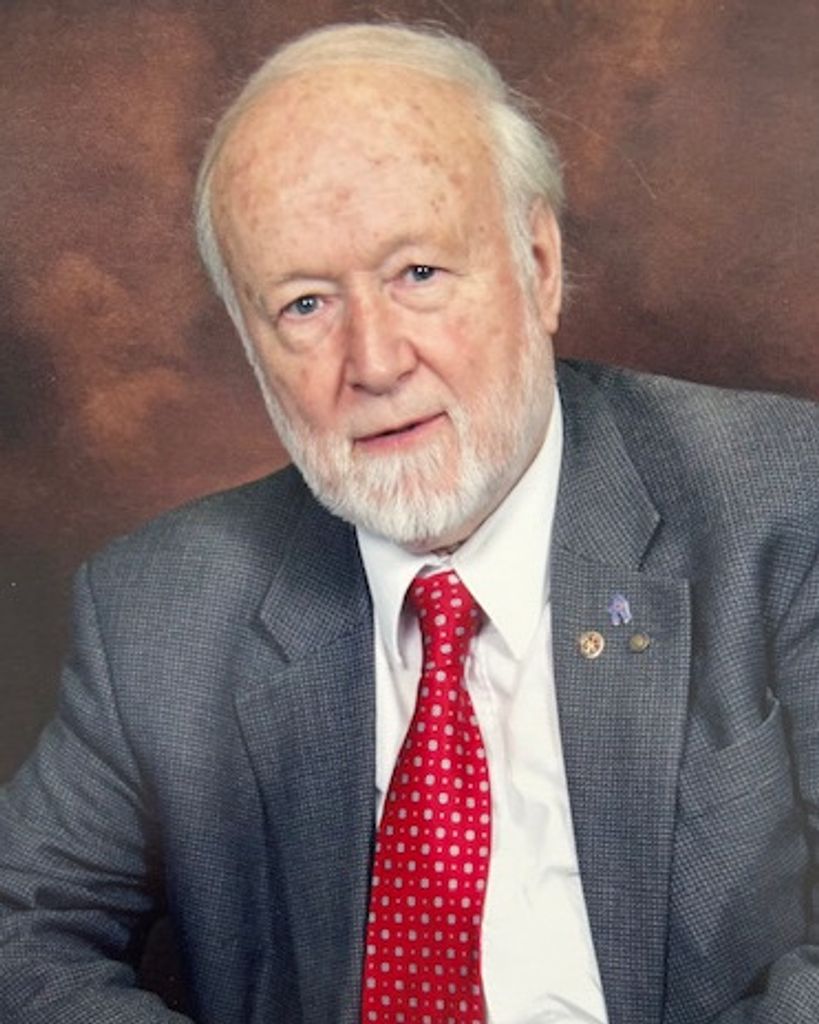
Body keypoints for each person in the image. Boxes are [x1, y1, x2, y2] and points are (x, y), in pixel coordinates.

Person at [1, 20, 818, 1024]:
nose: (376, 362)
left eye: (418, 274)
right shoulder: (161, 610)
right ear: (251, 344)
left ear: (538, 265)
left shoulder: (782, 500)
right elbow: (20, 927)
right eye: (305, 305)